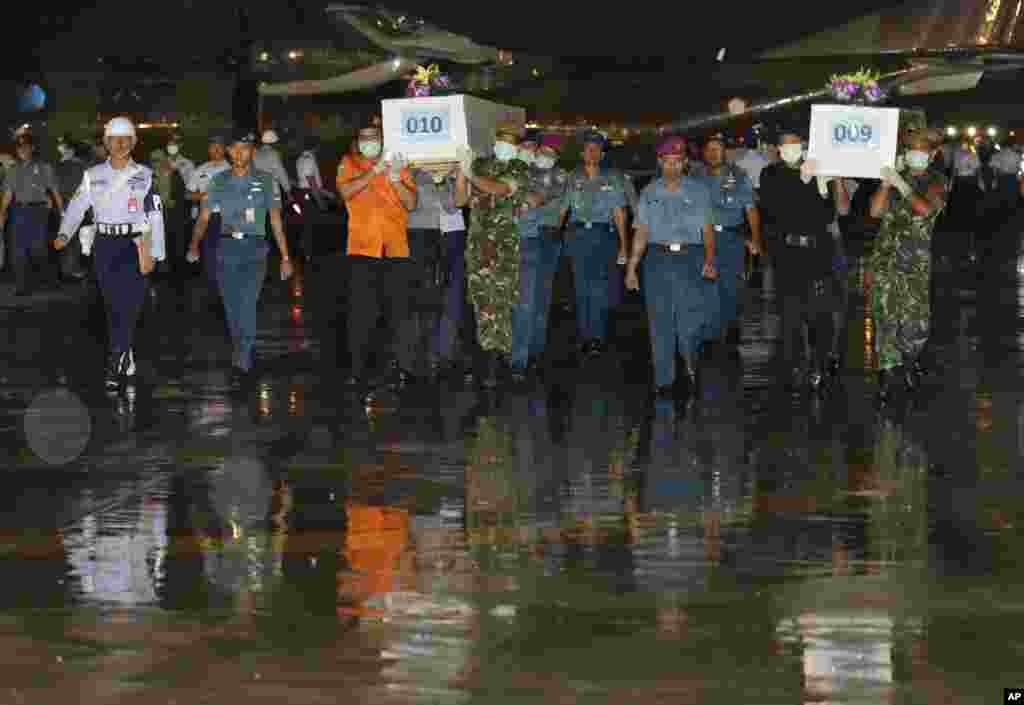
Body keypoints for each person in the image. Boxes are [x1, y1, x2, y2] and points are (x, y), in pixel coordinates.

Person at [55, 117, 166, 390]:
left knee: (131, 304)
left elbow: (155, 215)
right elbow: (77, 206)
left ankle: (115, 359)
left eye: (125, 138)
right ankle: (125, 353)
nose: (119, 143)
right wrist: (64, 233)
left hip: (136, 243)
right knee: (112, 305)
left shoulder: (146, 175)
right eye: (114, 139)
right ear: (105, 143)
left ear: (134, 143)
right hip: (105, 245)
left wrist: (156, 252)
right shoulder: (93, 175)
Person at [188, 129, 293, 388]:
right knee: (232, 308)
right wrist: (194, 246)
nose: (238, 153)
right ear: (227, 151)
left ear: (252, 151)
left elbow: (276, 220)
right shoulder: (218, 181)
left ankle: (242, 360)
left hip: (255, 249)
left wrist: (286, 256)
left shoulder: (267, 181)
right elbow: (203, 217)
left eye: (244, 148)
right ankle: (241, 350)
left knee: (247, 305)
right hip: (225, 249)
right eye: (233, 149)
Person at [758, 122, 846, 393]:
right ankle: (797, 365)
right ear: (778, 149)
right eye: (787, 145)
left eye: (798, 144)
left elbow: (828, 214)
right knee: (791, 315)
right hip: (788, 255)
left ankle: (820, 363)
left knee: (820, 314)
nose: (793, 149)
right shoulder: (771, 174)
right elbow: (777, 210)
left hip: (818, 253)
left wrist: (824, 184)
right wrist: (803, 181)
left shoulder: (815, 171)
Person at [625, 136, 717, 397]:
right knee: (659, 320)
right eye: (667, 162)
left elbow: (707, 229)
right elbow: (641, 231)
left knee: (689, 320)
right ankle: (663, 379)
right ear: (659, 163)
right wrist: (632, 267)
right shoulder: (649, 192)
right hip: (656, 258)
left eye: (678, 162)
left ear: (685, 163)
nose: (672, 168)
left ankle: (690, 366)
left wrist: (710, 259)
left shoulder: (698, 191)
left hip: (691, 256)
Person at [336, 121, 417, 391]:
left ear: (382, 140)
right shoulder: (349, 163)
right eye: (364, 137)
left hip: (396, 249)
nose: (369, 141)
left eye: (374, 137)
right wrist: (374, 171)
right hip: (362, 249)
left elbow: (411, 203)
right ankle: (358, 370)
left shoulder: (399, 164)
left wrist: (395, 178)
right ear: (358, 141)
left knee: (399, 313)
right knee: (361, 314)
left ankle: (403, 367)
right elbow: (345, 191)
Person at [868, 127, 947, 403]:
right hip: (886, 259)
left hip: (915, 263)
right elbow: (875, 211)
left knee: (914, 321)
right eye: (911, 150)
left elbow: (927, 210)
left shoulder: (936, 180)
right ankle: (888, 374)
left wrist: (903, 186)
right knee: (885, 316)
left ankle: (910, 360)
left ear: (932, 154)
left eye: (921, 151)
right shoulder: (895, 178)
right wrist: (887, 184)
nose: (915, 155)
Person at [454, 122, 532, 387]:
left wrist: (470, 173)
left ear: (517, 146)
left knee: (501, 301)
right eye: (502, 140)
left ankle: (499, 360)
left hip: (503, 247)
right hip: (477, 245)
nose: (505, 146)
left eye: (511, 142)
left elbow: (499, 189)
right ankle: (485, 358)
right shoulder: (481, 164)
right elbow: (459, 201)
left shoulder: (519, 168)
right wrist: (462, 173)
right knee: (480, 301)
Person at [559, 130, 635, 360]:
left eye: (596, 149)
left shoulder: (613, 178)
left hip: (604, 235)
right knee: (581, 288)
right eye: (588, 149)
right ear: (582, 153)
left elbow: (619, 213)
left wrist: (624, 246)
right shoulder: (572, 178)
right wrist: (552, 234)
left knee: (600, 287)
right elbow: (563, 209)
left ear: (602, 154)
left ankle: (597, 338)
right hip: (578, 235)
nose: (592, 153)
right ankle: (584, 336)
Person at [698, 132, 763, 351]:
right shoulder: (696, 176)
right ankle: (709, 333)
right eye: (709, 149)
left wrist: (755, 239)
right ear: (704, 153)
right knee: (707, 284)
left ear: (724, 152)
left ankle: (731, 326)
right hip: (702, 238)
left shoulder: (739, 175)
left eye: (717, 149)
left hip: (732, 237)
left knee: (731, 285)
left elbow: (751, 209)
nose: (713, 153)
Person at [514, 132, 569, 379]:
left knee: (539, 298)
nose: (545, 156)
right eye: (542, 151)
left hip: (547, 237)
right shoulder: (524, 169)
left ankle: (532, 351)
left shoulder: (558, 175)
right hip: (529, 235)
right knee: (527, 298)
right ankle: (527, 351)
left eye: (551, 154)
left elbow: (537, 198)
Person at [0, 134, 64, 295]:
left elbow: (55, 191)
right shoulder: (13, 170)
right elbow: (7, 194)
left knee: (39, 248)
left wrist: (63, 212)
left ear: (32, 148)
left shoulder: (44, 167)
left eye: (26, 147)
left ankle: (49, 280)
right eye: (20, 148)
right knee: (18, 249)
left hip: (39, 211)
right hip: (19, 211)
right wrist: (2, 213)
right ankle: (21, 285)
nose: (22, 150)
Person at [186, 133, 231, 313]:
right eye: (213, 147)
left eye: (219, 146)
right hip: (207, 217)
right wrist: (205, 195)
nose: (216, 150)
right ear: (209, 149)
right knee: (210, 254)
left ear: (225, 149)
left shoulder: (234, 169)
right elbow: (188, 194)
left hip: (229, 217)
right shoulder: (200, 170)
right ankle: (214, 293)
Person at [149, 148, 188, 289]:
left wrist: (172, 202)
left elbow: (182, 196)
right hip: (156, 217)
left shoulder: (175, 174)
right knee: (159, 244)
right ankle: (161, 273)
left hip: (173, 216)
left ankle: (177, 277)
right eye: (153, 160)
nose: (156, 163)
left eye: (158, 160)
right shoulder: (150, 176)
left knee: (174, 245)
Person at [295, 137, 339, 262]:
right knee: (310, 224)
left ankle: (306, 250)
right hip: (309, 194)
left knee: (306, 223)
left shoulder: (300, 159)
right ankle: (309, 253)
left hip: (304, 193)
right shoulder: (309, 159)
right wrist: (320, 200)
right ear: (315, 147)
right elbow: (311, 181)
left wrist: (326, 193)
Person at [54, 135, 88, 282]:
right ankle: (69, 269)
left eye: (66, 148)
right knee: (69, 238)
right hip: (64, 204)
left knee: (72, 239)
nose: (63, 150)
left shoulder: (78, 165)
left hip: (73, 204)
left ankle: (69, 269)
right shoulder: (59, 165)